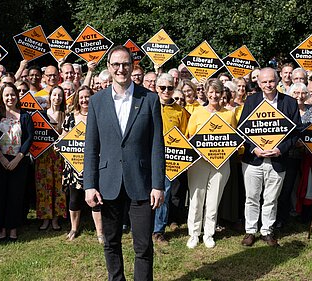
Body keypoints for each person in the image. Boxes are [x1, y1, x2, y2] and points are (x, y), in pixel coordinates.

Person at [83, 46, 165, 281]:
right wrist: (89, 184)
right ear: (108, 68)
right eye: (116, 65)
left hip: (141, 183)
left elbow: (157, 145)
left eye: (125, 64)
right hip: (108, 183)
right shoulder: (97, 101)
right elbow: (91, 147)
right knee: (110, 242)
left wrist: (158, 185)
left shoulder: (149, 99)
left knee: (143, 246)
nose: (121, 69)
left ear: (132, 66)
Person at [238, 68, 301, 247]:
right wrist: (253, 149)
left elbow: (296, 133)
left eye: (271, 81)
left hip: (278, 159)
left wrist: (280, 149)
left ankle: (267, 231)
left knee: (271, 198)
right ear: (259, 83)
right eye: (264, 82)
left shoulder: (289, 102)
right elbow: (243, 130)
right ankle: (250, 231)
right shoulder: (251, 101)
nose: (268, 85)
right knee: (251, 197)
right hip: (254, 159)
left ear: (277, 80)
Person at [185, 79, 236, 249]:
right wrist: (199, 151)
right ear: (206, 93)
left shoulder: (229, 114)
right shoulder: (197, 113)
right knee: (196, 198)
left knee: (214, 200)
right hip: (199, 162)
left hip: (221, 163)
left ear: (223, 94)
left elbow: (233, 139)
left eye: (217, 92)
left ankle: (208, 233)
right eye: (211, 92)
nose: (214, 95)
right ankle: (193, 233)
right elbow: (189, 138)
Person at [0, 83, 33, 241]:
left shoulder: (25, 116)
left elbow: (28, 138)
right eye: (6, 95)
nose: (10, 98)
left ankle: (13, 227)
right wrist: (0, 156)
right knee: (0, 194)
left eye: (13, 94)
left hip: (19, 161)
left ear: (17, 96)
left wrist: (18, 158)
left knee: (16, 194)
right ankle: (1, 228)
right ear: (1, 96)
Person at [60, 85, 104, 243]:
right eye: (82, 97)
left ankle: (100, 232)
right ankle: (74, 228)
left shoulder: (99, 115)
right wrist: (60, 143)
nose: (85, 100)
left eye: (88, 96)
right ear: (77, 99)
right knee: (74, 199)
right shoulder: (70, 117)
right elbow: (64, 137)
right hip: (74, 165)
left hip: (93, 164)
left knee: (96, 198)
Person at [275, 83, 312, 229]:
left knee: (308, 185)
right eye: (296, 93)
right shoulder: (284, 109)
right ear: (289, 93)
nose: (299, 96)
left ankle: (306, 216)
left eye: (302, 93)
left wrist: (304, 142)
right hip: (290, 155)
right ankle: (282, 217)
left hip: (307, 155)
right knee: (287, 188)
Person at [153, 73, 189, 245]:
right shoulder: (148, 104)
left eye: (169, 88)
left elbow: (184, 136)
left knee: (164, 194)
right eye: (162, 88)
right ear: (156, 88)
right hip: (148, 156)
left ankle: (158, 231)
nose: (166, 91)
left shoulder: (180, 111)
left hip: (169, 158)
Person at [36, 86, 67, 232]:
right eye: (54, 95)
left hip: (59, 156)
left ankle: (56, 219)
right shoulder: (42, 114)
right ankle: (45, 218)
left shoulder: (65, 115)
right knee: (44, 187)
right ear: (50, 96)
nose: (57, 98)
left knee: (58, 187)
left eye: (60, 95)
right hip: (43, 156)